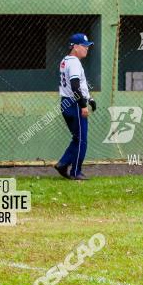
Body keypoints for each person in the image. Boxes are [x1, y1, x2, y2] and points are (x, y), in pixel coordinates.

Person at [55, 33, 95, 180]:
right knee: (82, 141)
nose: (87, 49)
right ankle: (76, 172)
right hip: (74, 103)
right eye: (84, 46)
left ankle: (63, 164)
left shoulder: (66, 60)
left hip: (67, 102)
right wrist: (83, 105)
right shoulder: (74, 62)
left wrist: (89, 98)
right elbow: (75, 86)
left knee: (77, 138)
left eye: (87, 46)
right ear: (75, 47)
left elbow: (80, 86)